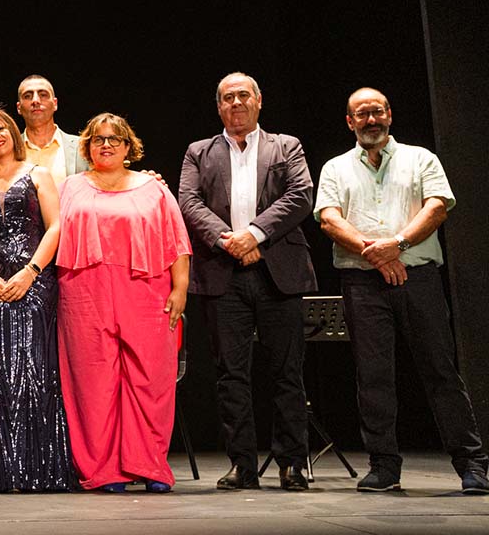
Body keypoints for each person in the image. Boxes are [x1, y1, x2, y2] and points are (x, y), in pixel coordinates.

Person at [315, 87, 489, 494]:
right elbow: (328, 219)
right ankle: (384, 466)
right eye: (361, 114)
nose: (370, 119)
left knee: (440, 371)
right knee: (373, 376)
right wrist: (376, 254)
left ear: (389, 115)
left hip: (419, 278)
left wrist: (399, 246)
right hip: (361, 282)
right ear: (349, 121)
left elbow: (437, 207)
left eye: (376, 111)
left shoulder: (421, 158)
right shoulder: (335, 168)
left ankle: (472, 464)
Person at [178, 72, 316, 492]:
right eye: (226, 98)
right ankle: (243, 464)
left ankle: (292, 463)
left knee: (286, 372)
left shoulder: (285, 145)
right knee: (230, 373)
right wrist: (230, 241)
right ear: (218, 106)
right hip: (223, 274)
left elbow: (301, 195)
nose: (235, 103)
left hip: (278, 272)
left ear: (258, 101)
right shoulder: (199, 151)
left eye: (242, 96)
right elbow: (188, 201)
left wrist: (253, 234)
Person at [57, 112, 190, 493]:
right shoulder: (70, 187)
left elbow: (178, 242)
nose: (106, 144)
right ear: (87, 146)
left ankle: (147, 465)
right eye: (98, 139)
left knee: (150, 379)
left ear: (129, 146)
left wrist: (180, 289)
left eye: (115, 139)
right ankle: (105, 470)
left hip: (146, 292)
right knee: (94, 381)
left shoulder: (153, 188)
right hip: (84, 292)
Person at [0, 109, 74, 493]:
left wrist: (31, 271)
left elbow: (55, 226)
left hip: (35, 283)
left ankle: (41, 469)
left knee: (36, 371)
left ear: (12, 132)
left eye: (0, 129)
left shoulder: (38, 174)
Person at [15, 75, 87, 186]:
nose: (36, 101)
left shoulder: (82, 146)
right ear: (19, 107)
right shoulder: (10, 149)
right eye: (28, 96)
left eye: (43, 95)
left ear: (55, 103)